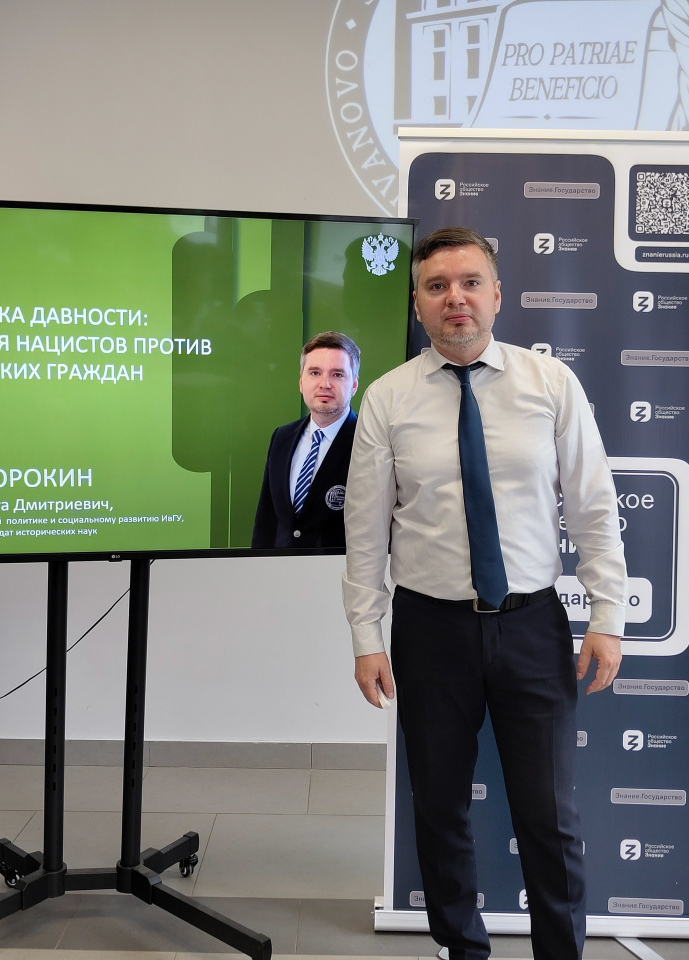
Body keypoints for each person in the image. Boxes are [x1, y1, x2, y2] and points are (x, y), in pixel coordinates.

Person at [342, 227, 627, 960]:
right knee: (439, 810)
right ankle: (462, 951)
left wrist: (607, 614)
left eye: (470, 282)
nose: (455, 298)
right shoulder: (387, 399)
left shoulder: (549, 384)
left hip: (532, 627)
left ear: (497, 295)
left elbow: (593, 505)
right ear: (417, 304)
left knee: (549, 817)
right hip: (429, 631)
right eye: (437, 287)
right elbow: (365, 532)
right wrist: (367, 636)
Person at [252, 331, 361, 549]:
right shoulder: (282, 437)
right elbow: (266, 521)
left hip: (338, 569)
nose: (325, 384)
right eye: (315, 373)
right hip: (280, 568)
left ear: (354, 385)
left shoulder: (369, 443)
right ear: (301, 382)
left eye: (337, 374)